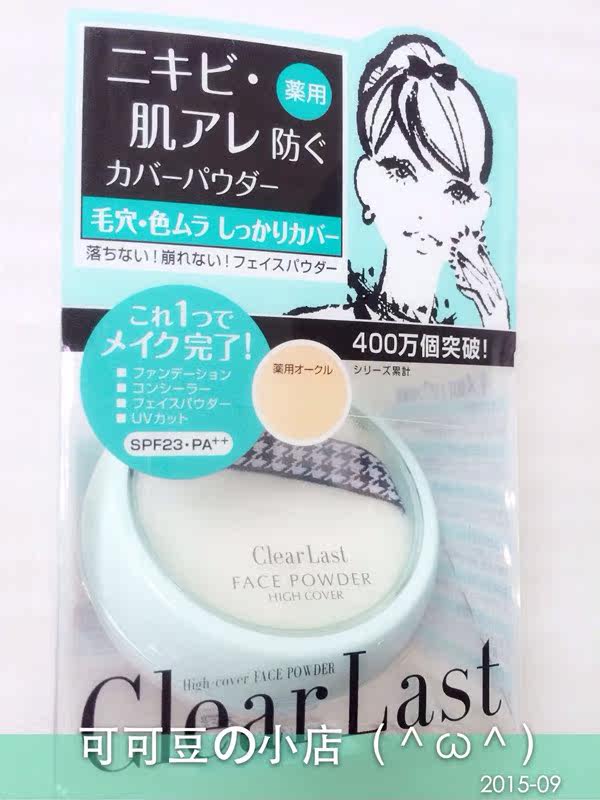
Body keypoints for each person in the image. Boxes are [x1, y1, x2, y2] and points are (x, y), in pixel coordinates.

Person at [290, 34, 510, 329]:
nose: (425, 210)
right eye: (402, 172)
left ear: (478, 210)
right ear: (365, 182)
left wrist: (496, 320)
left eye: (456, 191)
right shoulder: (315, 328)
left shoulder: (472, 336)